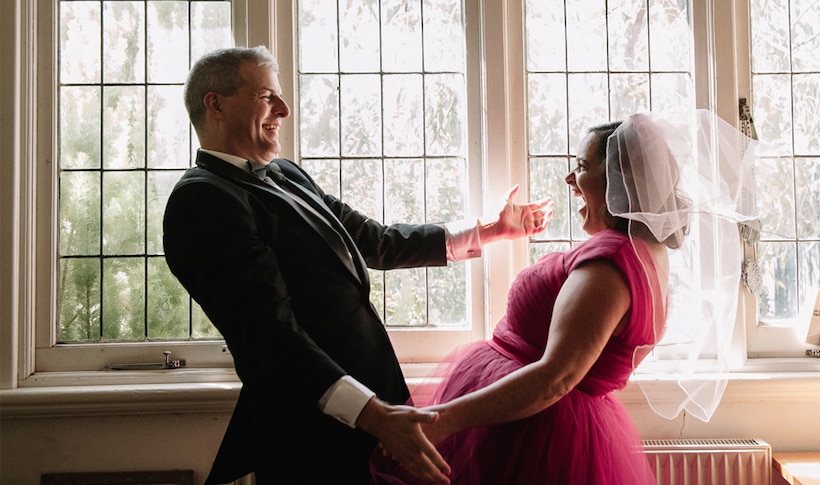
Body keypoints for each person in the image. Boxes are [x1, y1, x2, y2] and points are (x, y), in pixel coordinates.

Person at [161, 45, 552, 485]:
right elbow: (271, 336)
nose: (284, 110)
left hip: (371, 418)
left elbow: (376, 242)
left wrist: (489, 231)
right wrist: (374, 415)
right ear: (215, 103)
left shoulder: (288, 174)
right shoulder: (202, 200)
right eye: (266, 97)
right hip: (310, 433)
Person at [370, 112, 699, 484]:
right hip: (531, 428)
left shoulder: (611, 262)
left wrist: (439, 422)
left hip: (534, 437)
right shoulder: (641, 252)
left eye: (583, 167)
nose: (570, 179)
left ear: (618, 182)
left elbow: (555, 378)